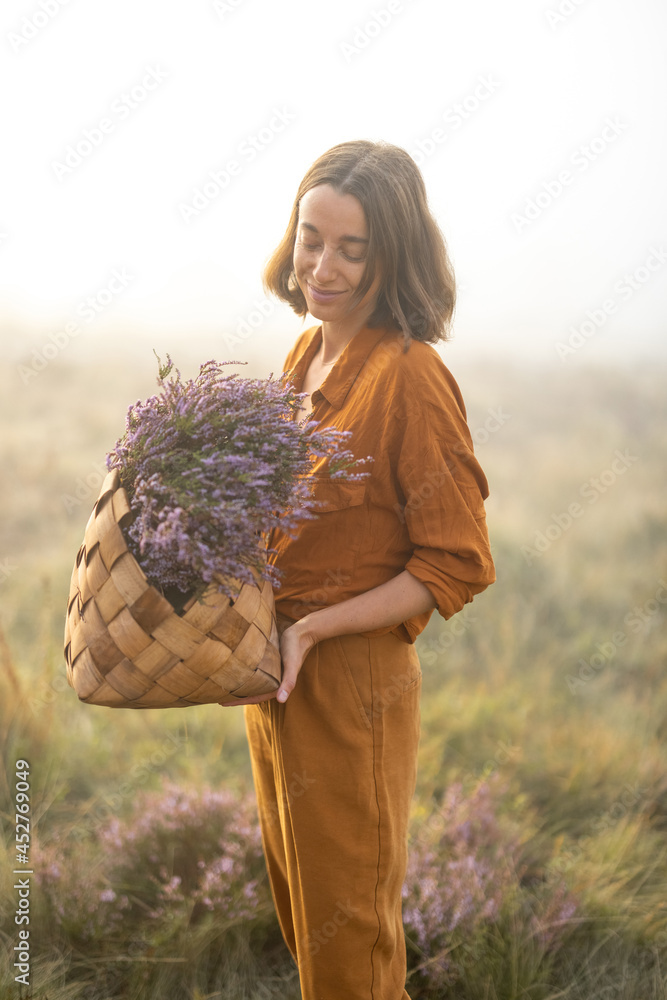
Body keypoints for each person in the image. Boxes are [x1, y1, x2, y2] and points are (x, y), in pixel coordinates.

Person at [219, 140, 495, 1000]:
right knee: (307, 925)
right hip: (275, 682)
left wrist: (314, 627)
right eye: (311, 237)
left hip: (349, 689)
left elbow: (456, 561)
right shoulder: (305, 358)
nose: (321, 267)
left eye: (352, 249)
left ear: (395, 256)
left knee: (351, 956)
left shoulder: (410, 377)